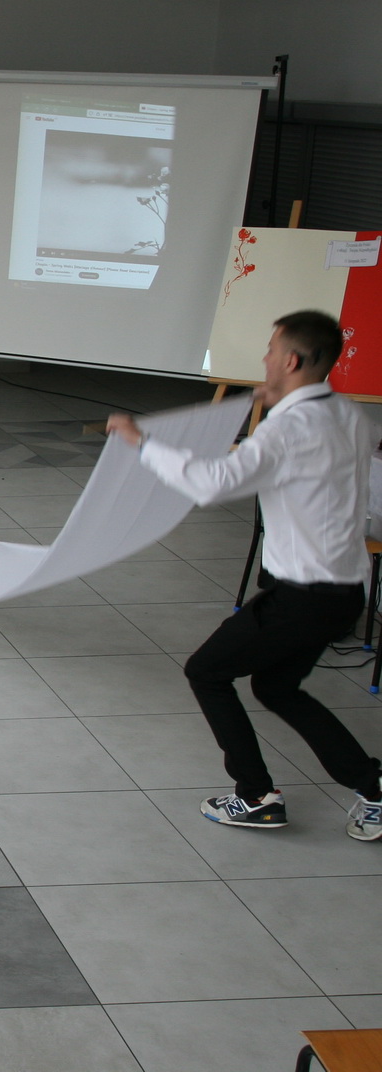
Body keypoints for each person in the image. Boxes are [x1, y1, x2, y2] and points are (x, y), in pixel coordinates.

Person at [108, 309, 382, 839]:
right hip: (345, 591)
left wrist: (142, 442)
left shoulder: (290, 428)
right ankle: (372, 785)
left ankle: (256, 796)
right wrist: (278, 403)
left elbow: (213, 483)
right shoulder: (348, 414)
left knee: (207, 672)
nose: (264, 359)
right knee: (277, 687)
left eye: (270, 350)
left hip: (303, 596)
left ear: (291, 361)